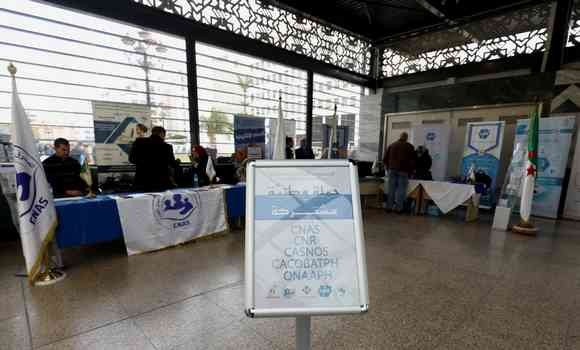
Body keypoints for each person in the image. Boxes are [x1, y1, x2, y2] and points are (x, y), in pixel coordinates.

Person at [129, 126, 176, 192]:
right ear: (162, 134)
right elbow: (172, 163)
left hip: (141, 182)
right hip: (161, 184)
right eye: (164, 135)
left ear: (152, 132)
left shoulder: (138, 142)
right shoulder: (167, 147)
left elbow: (131, 159)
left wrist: (143, 163)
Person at [383, 132, 416, 213]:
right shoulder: (410, 147)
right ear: (406, 138)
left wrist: (387, 168)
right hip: (403, 171)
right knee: (401, 190)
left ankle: (389, 208)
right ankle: (399, 209)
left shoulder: (392, 145)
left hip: (392, 170)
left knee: (391, 189)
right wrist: (411, 172)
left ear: (400, 137)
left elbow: (385, 159)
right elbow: (413, 161)